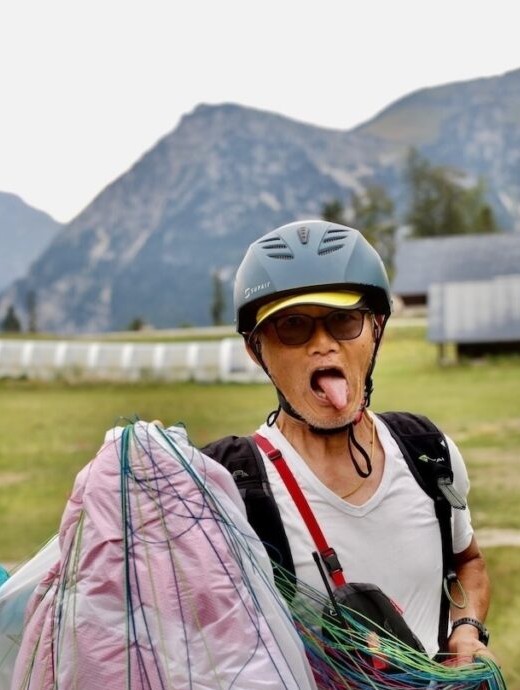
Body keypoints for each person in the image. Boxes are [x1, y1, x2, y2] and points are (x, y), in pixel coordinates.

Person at [204, 219, 493, 666]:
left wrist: (466, 630)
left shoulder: (429, 454)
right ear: (256, 349)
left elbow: (467, 562)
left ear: (376, 329)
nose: (324, 345)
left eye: (343, 320)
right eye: (293, 327)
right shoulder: (229, 484)